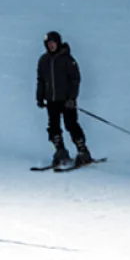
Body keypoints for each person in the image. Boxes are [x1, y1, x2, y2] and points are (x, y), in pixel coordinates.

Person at [36, 31, 93, 167]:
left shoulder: (67, 59)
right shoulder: (44, 60)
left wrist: (72, 98)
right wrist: (40, 97)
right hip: (52, 100)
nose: (51, 46)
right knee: (53, 127)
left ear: (58, 43)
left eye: (53, 43)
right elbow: (41, 80)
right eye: (48, 44)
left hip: (67, 101)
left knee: (71, 125)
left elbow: (75, 80)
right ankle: (60, 151)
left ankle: (83, 151)